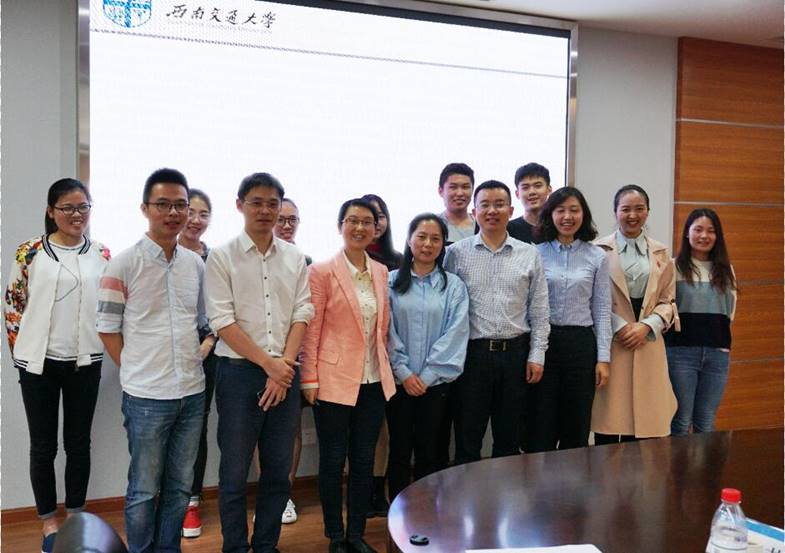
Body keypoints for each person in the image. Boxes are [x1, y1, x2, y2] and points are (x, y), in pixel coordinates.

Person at [96, 168, 206, 553]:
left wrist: (201, 351)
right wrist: (133, 368)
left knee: (180, 487)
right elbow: (107, 328)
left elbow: (204, 322)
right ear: (145, 208)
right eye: (163, 204)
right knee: (143, 489)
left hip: (192, 393)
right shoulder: (123, 264)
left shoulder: (195, 264)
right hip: (146, 397)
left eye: (180, 205)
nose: (173, 213)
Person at [205, 173, 313, 553]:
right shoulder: (221, 257)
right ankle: (235, 547)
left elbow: (302, 311)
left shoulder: (295, 258)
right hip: (238, 374)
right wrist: (271, 365)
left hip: (284, 371)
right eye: (257, 202)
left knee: (278, 473)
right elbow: (222, 321)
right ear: (240, 205)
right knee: (234, 473)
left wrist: (283, 368)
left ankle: (266, 545)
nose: (265, 210)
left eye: (272, 203)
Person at [4, 178, 110, 553]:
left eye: (83, 207)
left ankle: (76, 517)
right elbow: (13, 306)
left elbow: (109, 308)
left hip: (85, 362)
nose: (76, 214)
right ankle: (49, 522)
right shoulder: (30, 252)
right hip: (38, 366)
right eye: (67, 208)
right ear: (51, 211)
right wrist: (22, 354)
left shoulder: (102, 254)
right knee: (43, 446)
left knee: (78, 444)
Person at [301, 198, 396, 553]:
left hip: (373, 380)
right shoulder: (322, 271)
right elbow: (312, 329)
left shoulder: (381, 271)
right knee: (331, 460)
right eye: (352, 220)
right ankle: (335, 536)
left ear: (376, 228)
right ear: (340, 225)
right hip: (333, 381)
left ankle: (356, 534)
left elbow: (381, 330)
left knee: (364, 460)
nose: (359, 227)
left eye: (366, 222)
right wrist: (309, 378)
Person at [444, 180, 550, 464]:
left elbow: (539, 310)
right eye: (485, 205)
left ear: (511, 210)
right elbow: (446, 308)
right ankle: (467, 493)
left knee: (508, 439)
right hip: (472, 356)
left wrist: (537, 355)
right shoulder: (456, 254)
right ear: (474, 212)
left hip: (516, 355)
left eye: (499, 204)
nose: (492, 211)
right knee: (468, 437)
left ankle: (505, 493)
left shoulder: (529, 254)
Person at [386, 213, 469, 501]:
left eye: (435, 239)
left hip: (437, 385)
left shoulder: (454, 286)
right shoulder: (390, 282)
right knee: (399, 450)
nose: (427, 244)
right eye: (421, 237)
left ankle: (426, 514)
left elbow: (455, 333)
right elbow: (385, 331)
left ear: (443, 244)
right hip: (398, 383)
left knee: (430, 451)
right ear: (409, 240)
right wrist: (404, 372)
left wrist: (427, 376)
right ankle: (397, 512)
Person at [526, 187, 611, 452]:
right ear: (550, 215)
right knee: (541, 423)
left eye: (574, 210)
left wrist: (604, 358)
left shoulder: (597, 256)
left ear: (583, 215)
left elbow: (602, 309)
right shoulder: (535, 253)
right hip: (544, 343)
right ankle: (538, 478)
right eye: (560, 210)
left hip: (581, 344)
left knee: (576, 424)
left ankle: (573, 479)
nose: (567, 217)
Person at [591, 184, 678, 444]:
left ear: (648, 212)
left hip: (647, 342)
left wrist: (648, 325)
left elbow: (668, 300)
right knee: (609, 421)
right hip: (612, 341)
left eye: (639, 209)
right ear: (615, 212)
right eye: (625, 209)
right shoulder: (597, 250)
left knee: (645, 426)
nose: (632, 215)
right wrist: (620, 326)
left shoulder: (661, 252)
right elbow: (590, 298)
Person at [665, 208, 737, 435]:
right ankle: (679, 462)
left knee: (706, 421)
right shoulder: (673, 267)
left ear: (717, 236)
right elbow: (665, 309)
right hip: (681, 353)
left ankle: (705, 462)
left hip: (717, 355)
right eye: (698, 229)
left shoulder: (726, 271)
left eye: (710, 231)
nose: (704, 236)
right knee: (681, 420)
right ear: (687, 233)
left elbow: (730, 313)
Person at [178, 188, 218, 538]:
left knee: (196, 427)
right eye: (191, 211)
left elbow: (223, 307)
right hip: (165, 356)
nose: (196, 219)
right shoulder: (163, 252)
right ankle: (167, 498)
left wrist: (209, 342)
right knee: (162, 426)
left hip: (207, 355)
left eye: (203, 214)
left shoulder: (215, 258)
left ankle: (191, 501)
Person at [272, 197, 312, 526]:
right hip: (260, 359)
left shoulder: (306, 261)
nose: (286, 225)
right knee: (262, 432)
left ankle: (285, 492)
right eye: (281, 219)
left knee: (291, 428)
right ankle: (269, 492)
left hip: (296, 359)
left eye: (292, 220)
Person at [507, 162, 552, 244]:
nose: (532, 192)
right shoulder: (508, 230)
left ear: (549, 190)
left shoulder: (559, 227)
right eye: (525, 187)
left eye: (538, 186)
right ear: (517, 194)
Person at [437, 162, 477, 244]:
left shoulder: (482, 226)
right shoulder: (430, 225)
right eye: (453, 187)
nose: (460, 193)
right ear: (440, 191)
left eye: (465, 187)